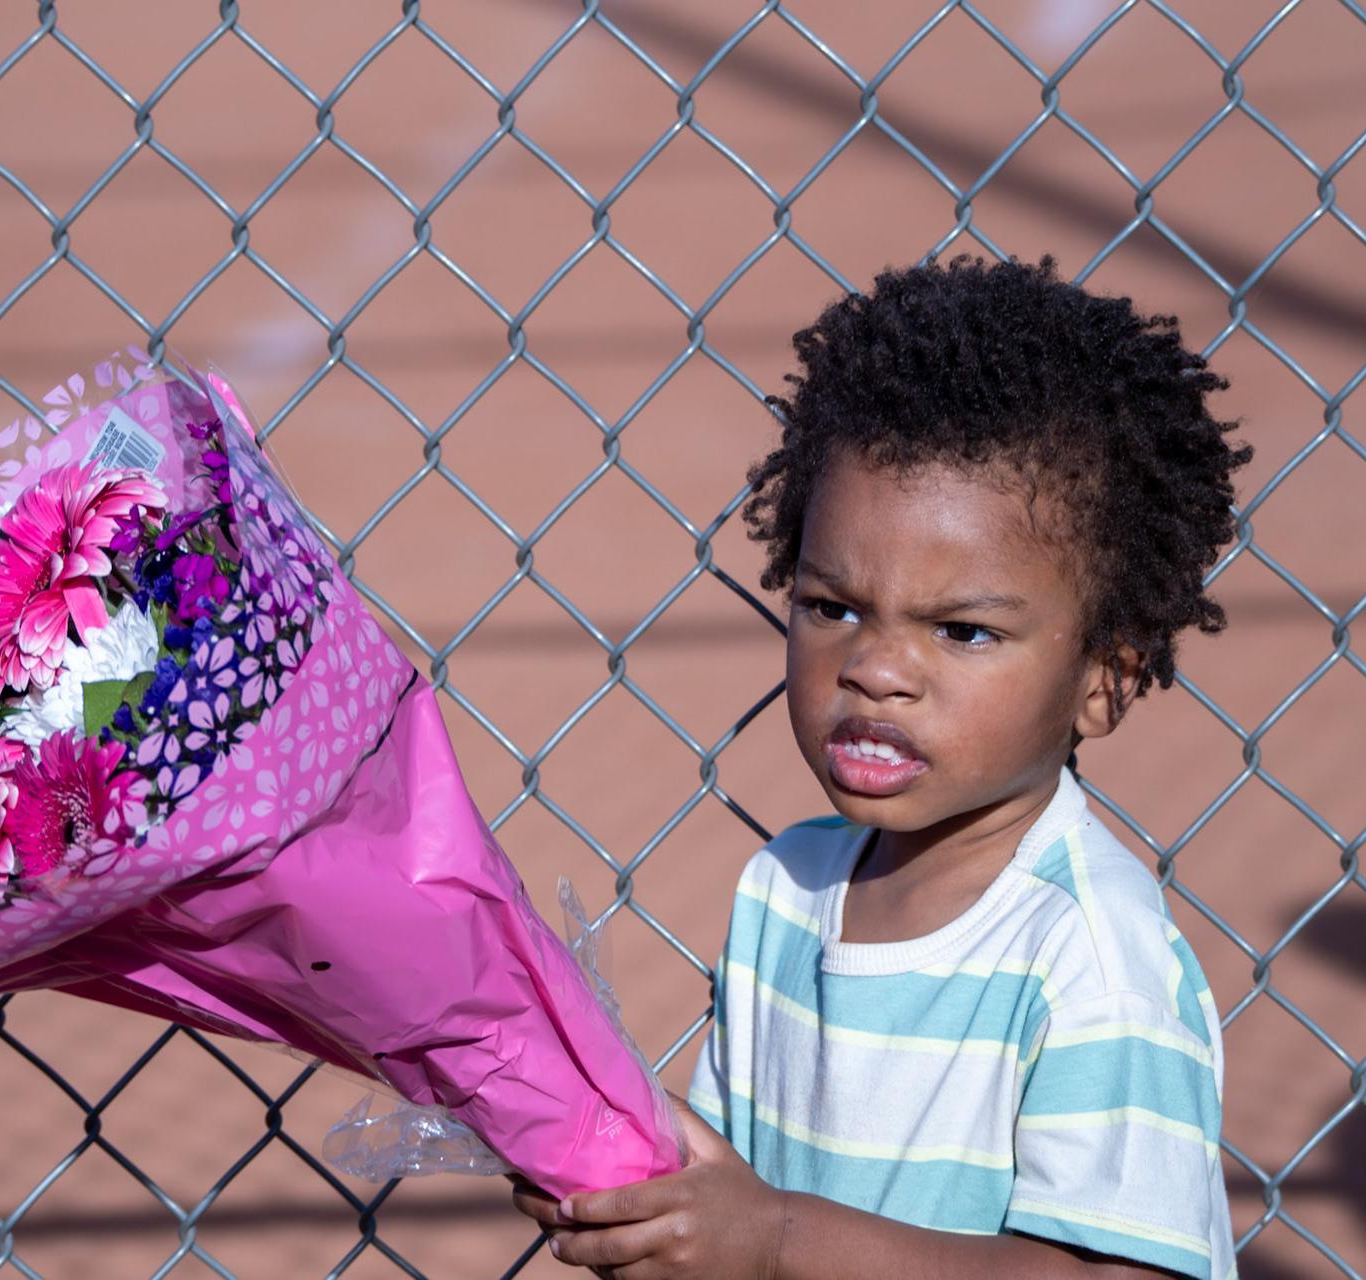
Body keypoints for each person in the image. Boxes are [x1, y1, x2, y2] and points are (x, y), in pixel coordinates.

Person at [513, 255, 1251, 1279]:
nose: (875, 668)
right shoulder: (786, 891)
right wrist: (652, 1188)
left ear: (1104, 680)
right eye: (833, 607)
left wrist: (773, 1239)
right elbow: (749, 1200)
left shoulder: (1088, 952)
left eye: (961, 630)